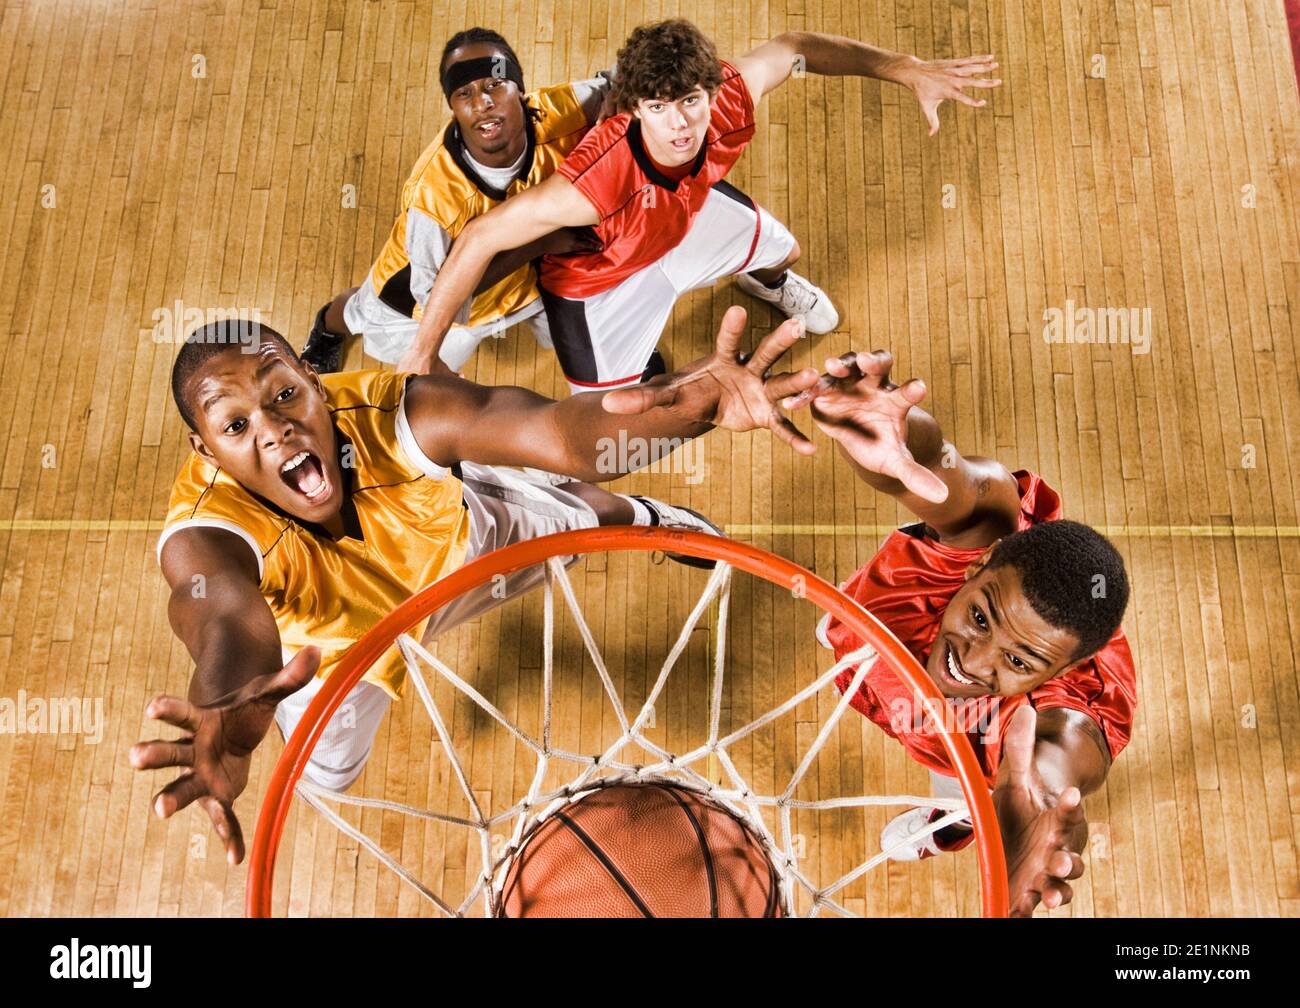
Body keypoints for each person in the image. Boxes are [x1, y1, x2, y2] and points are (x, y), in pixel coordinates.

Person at [131, 310, 820, 864]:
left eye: (284, 393)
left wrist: (691, 409)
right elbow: (224, 620)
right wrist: (231, 714)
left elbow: (566, 434)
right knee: (327, 775)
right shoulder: (204, 536)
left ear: (314, 380)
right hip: (342, 655)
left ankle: (649, 515)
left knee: (590, 516)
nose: (276, 428)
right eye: (235, 424)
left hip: (458, 555)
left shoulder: (406, 412)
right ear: (204, 449)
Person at [614, 349, 1137, 917]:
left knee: (966, 787)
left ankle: (956, 823)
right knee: (856, 631)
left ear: (1061, 676)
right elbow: (942, 472)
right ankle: (852, 641)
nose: (974, 660)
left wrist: (1033, 814)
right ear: (974, 569)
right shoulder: (985, 538)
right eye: (981, 618)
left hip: (954, 745)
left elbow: (1058, 762)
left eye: (1017, 663)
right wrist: (899, 437)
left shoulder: (1067, 719)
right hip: (881, 643)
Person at [398, 19, 1001, 391]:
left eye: (689, 100)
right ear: (634, 109)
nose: (680, 124)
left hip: (682, 222)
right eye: (658, 108)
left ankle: (766, 285)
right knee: (611, 409)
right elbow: (480, 237)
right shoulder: (593, 182)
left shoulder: (733, 94)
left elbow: (795, 48)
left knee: (785, 251)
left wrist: (903, 67)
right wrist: (422, 354)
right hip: (602, 282)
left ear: (712, 88)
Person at [300, 27, 612, 374]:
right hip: (420, 301)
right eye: (465, 93)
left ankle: (624, 358)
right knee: (355, 311)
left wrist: (621, 95)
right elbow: (440, 296)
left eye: (495, 84)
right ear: (453, 108)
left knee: (591, 320)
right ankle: (327, 328)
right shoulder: (432, 198)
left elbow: (630, 77)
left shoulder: (562, 110)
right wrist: (539, 243)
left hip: (531, 279)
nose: (482, 103)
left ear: (520, 90)